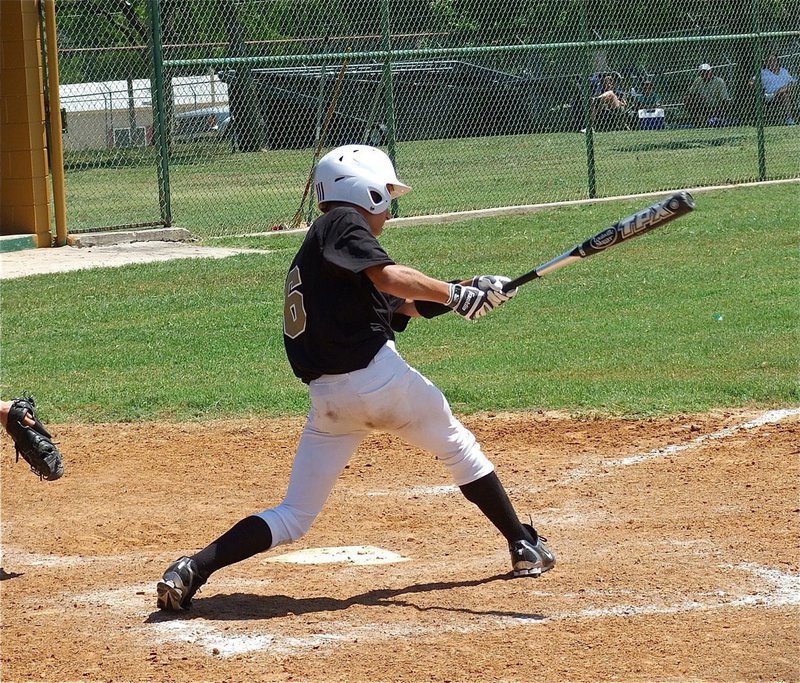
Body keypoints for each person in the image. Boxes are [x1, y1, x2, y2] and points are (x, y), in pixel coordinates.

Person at [155, 145, 556, 611]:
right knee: (457, 446)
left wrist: (468, 290)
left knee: (294, 515)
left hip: (330, 401)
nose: (389, 205)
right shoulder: (342, 223)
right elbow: (391, 279)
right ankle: (522, 544)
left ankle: (192, 568)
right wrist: (454, 293)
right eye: (386, 194)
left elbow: (404, 304)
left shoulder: (326, 255)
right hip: (376, 378)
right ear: (363, 192)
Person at [755, 52, 798, 125]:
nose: (772, 62)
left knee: (792, 86)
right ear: (766, 62)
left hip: (786, 92)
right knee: (785, 94)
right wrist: (758, 88)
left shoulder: (783, 70)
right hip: (771, 97)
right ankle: (789, 119)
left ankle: (777, 92)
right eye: (769, 61)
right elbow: (751, 82)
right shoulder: (763, 72)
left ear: (777, 61)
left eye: (773, 60)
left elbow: (792, 81)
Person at [684, 63, 732, 127]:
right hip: (702, 106)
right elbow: (690, 93)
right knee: (688, 99)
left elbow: (724, 99)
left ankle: (714, 119)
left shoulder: (719, 81)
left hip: (716, 107)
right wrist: (697, 96)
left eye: (706, 72)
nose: (705, 74)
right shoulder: (698, 81)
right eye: (702, 72)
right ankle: (699, 119)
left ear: (710, 71)